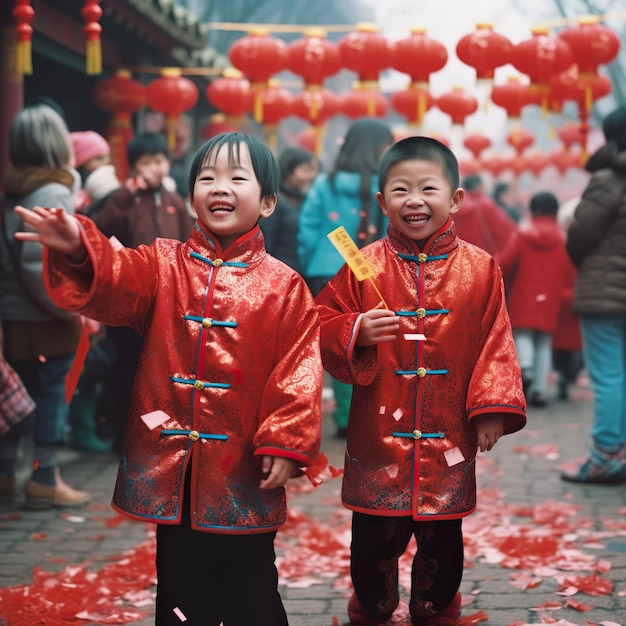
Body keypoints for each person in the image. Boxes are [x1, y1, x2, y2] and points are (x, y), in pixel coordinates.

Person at [14, 131, 323, 626]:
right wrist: (78, 248)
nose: (220, 187)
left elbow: (298, 372)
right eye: (207, 178)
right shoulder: (161, 263)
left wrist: (285, 442)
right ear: (191, 193)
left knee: (254, 593)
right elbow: (116, 277)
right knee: (179, 596)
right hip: (172, 469)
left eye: (236, 178)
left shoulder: (285, 286)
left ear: (267, 201)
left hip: (243, 468)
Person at [315, 136, 526, 625]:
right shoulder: (363, 262)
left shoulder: (480, 268)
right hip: (378, 437)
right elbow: (321, 320)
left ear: (454, 199)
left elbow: (497, 338)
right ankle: (371, 606)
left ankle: (437, 608)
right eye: (401, 190)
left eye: (427, 188)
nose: (414, 200)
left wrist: (491, 409)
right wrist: (356, 330)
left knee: (443, 544)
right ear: (382, 201)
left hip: (448, 432)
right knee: (371, 543)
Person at [0, 103, 90, 508]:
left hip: (12, 313)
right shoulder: (54, 191)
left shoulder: (12, 189)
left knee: (16, 397)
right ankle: (45, 477)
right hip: (46, 315)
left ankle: (5, 475)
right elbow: (44, 267)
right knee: (51, 394)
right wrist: (73, 309)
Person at [94, 131, 194, 455]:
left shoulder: (173, 201)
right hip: (130, 299)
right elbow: (99, 230)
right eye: (147, 161)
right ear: (134, 165)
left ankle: (155, 432)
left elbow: (187, 243)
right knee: (127, 368)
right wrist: (125, 195)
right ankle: (122, 435)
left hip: (167, 301)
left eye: (160, 160)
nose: (155, 168)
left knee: (161, 370)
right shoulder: (123, 198)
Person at [298, 117, 394, 437]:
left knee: (329, 338)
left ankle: (337, 413)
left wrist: (307, 259)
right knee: (359, 340)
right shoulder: (383, 184)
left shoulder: (327, 182)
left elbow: (308, 227)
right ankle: (352, 411)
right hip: (364, 271)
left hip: (323, 269)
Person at [561, 105, 626, 485]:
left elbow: (580, 234)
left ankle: (604, 456)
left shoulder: (608, 179)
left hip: (604, 292)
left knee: (608, 376)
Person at [497, 191, 574, 407]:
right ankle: (540, 390)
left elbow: (507, 263)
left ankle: (527, 368)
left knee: (523, 335)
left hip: (524, 295)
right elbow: (570, 270)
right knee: (544, 342)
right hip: (551, 297)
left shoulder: (521, 234)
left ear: (533, 210)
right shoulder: (563, 238)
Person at [260, 146, 319, 272]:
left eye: (314, 171)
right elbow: (267, 241)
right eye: (305, 170)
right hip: (279, 271)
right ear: (288, 171)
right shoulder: (273, 201)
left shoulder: (307, 199)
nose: (312, 176)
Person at [453, 174, 516, 256]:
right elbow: (506, 231)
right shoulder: (486, 204)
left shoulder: (454, 206)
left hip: (460, 258)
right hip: (484, 257)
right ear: (479, 186)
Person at [70, 130, 121, 214]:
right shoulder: (70, 196)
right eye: (99, 159)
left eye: (108, 157)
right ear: (81, 162)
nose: (106, 163)